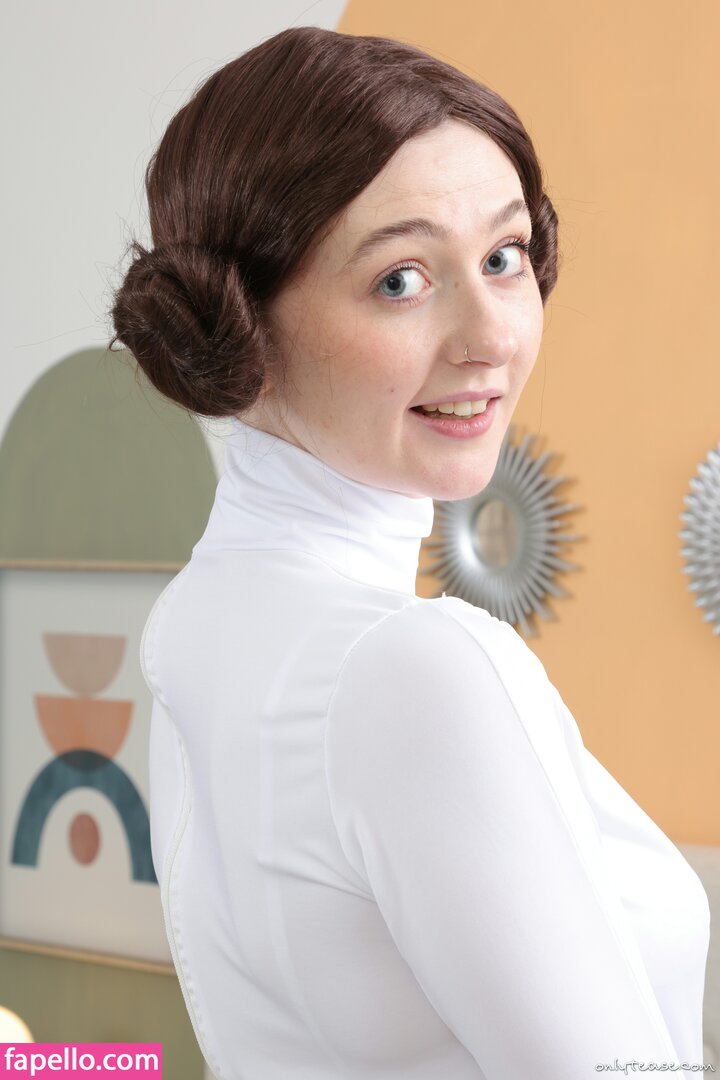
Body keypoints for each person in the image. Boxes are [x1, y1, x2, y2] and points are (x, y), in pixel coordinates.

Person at [108, 25, 710, 1080]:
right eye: (401, 280)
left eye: (504, 257)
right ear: (240, 329)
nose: (493, 335)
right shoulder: (416, 665)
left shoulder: (196, 625)